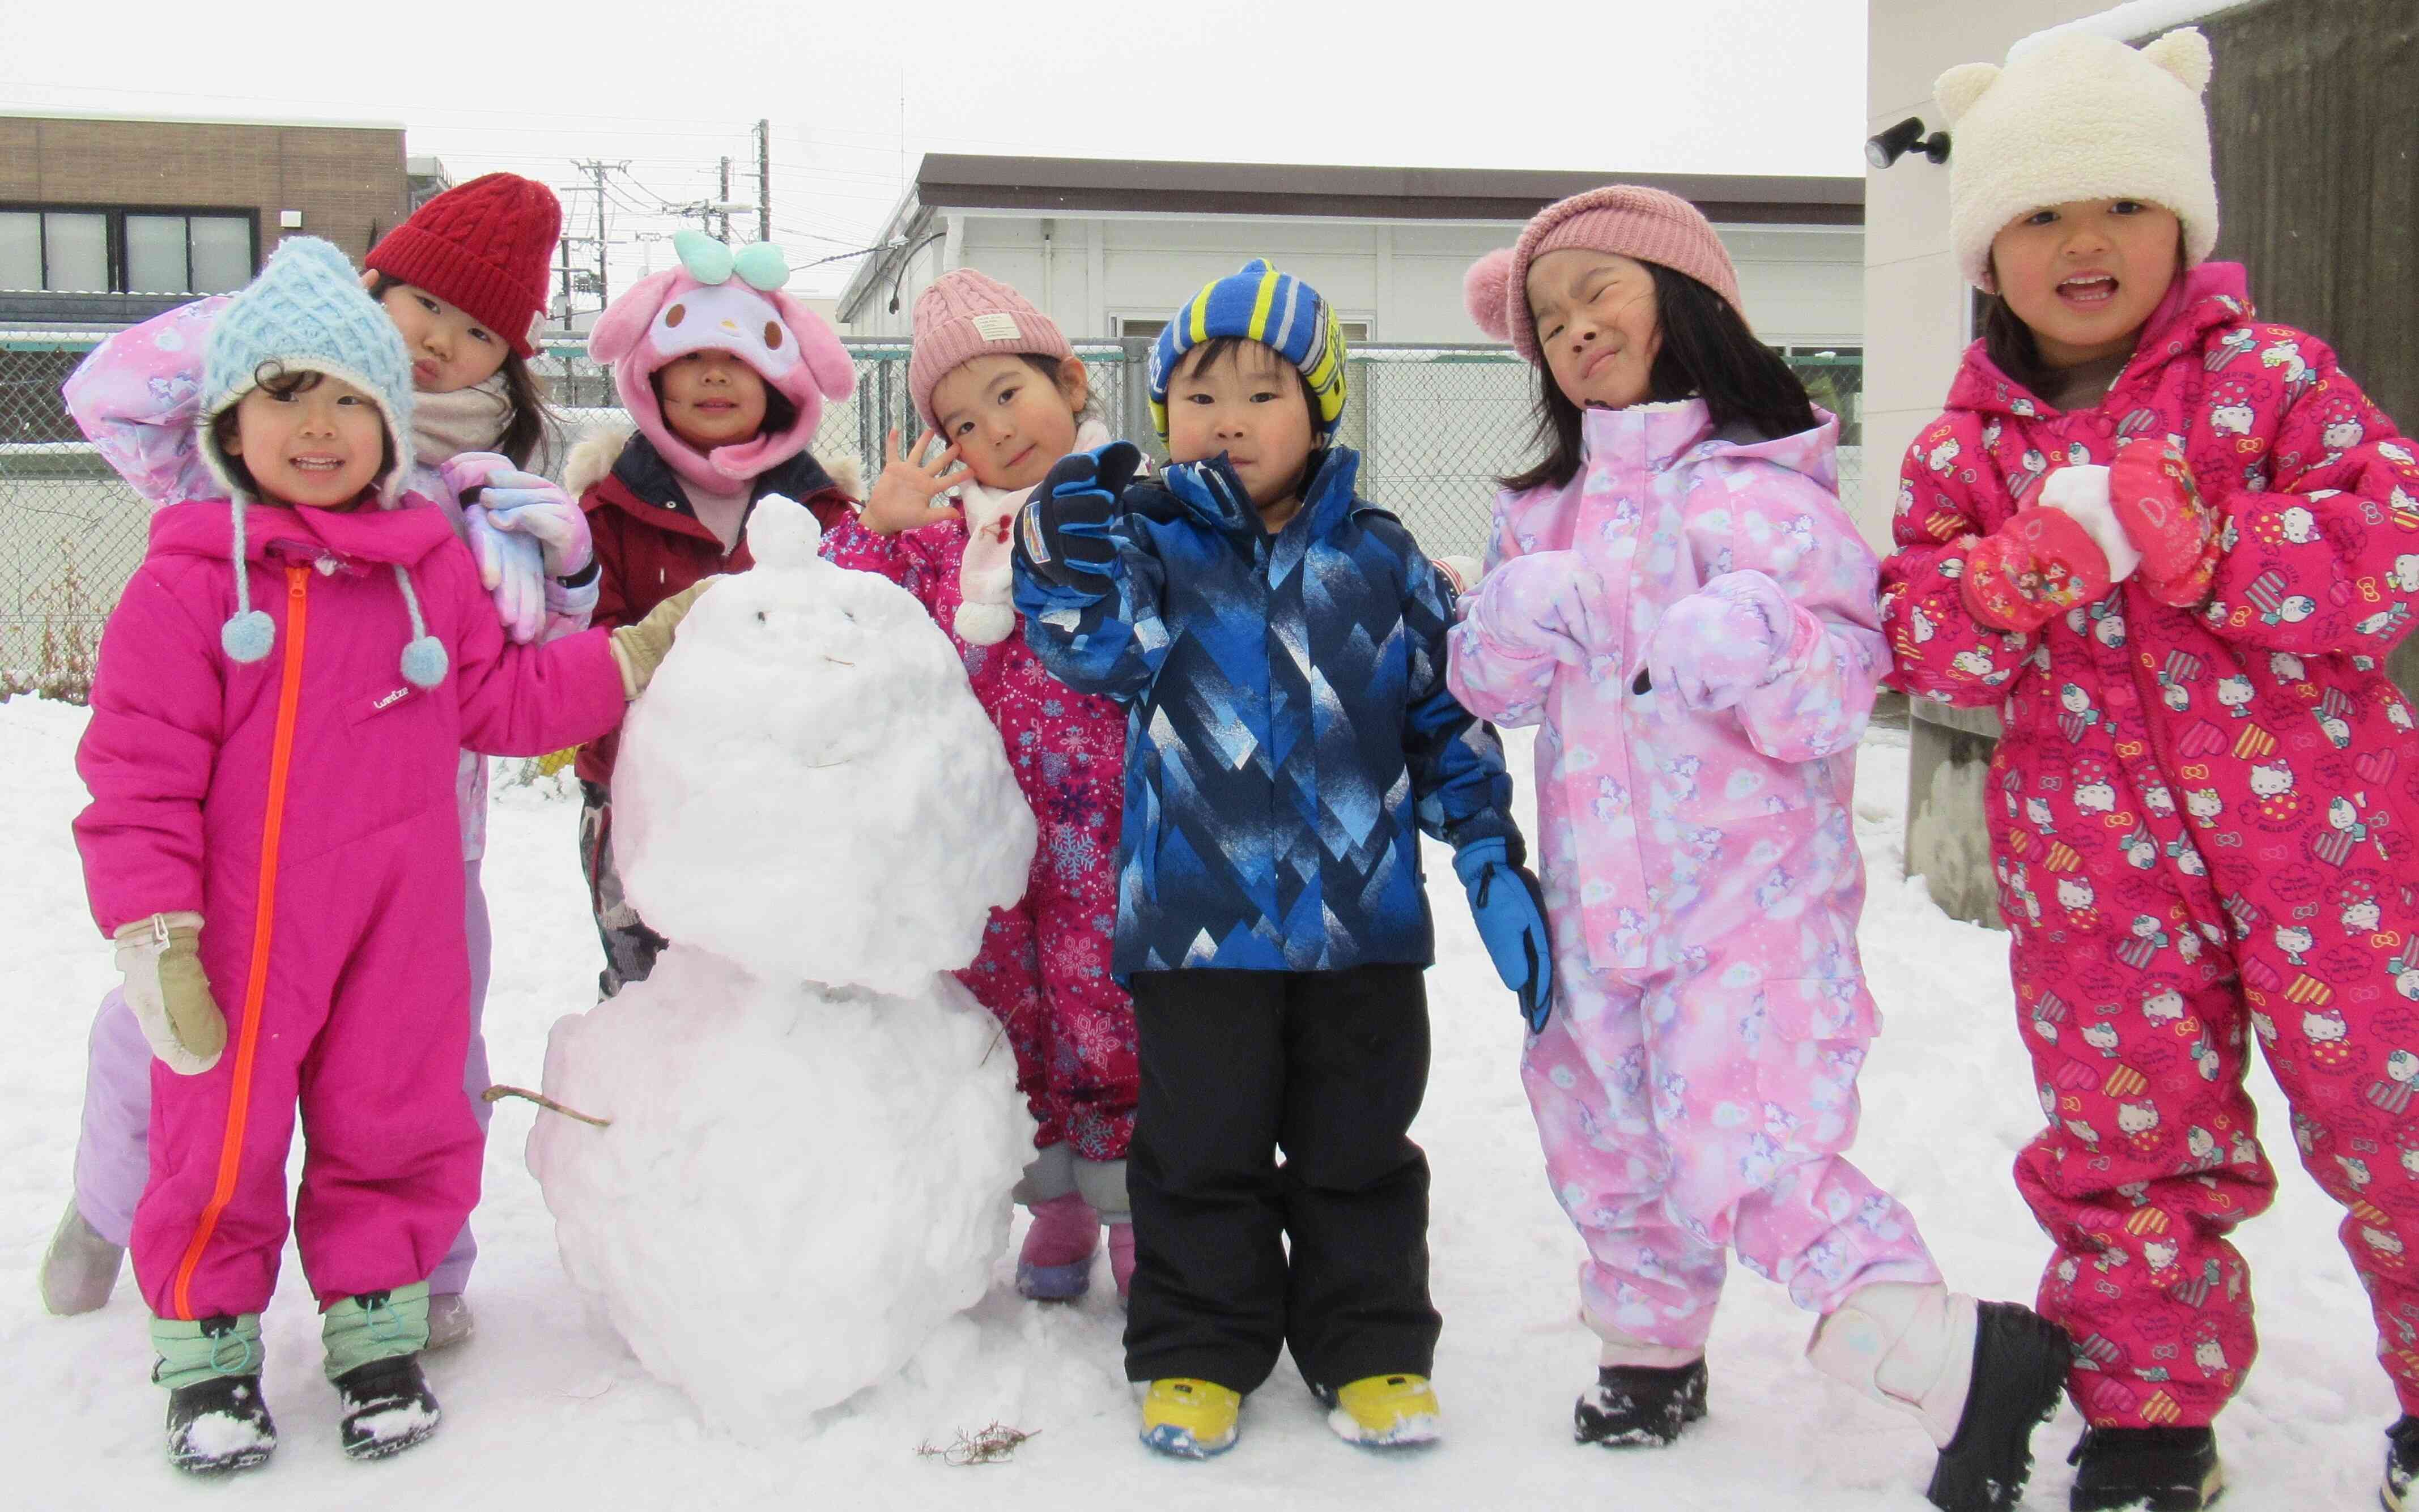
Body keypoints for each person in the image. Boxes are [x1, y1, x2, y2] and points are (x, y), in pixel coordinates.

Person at [1878, 29, 2419, 1511]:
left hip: (2329, 851)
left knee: (2393, 1112)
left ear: (2178, 218)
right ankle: (2144, 1407)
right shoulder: (1960, 451)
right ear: (1988, 245)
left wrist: (2217, 547)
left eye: (2117, 202)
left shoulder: (2270, 384)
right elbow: (1920, 644)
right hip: (2093, 870)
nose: (2081, 242)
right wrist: (2005, 580)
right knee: (2126, 1134)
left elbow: (2388, 553)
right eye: (2039, 212)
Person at [73, 237, 699, 1475]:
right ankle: (207, 1345)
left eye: (354, 400)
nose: (321, 427)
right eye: (288, 396)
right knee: (220, 1130)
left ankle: (374, 1331)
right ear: (232, 422)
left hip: (400, 923)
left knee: (395, 1116)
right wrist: (154, 929)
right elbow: (134, 772)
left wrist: (627, 655)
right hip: (243, 928)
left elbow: (507, 701)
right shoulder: (191, 585)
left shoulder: (428, 574)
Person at [1012, 259, 1552, 1458]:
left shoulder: (1378, 556)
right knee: (1198, 1155)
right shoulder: (1149, 548)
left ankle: (1369, 1350)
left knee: (1357, 1153)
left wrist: (1483, 847)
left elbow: (1441, 716)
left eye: (1263, 393)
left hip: (1360, 929)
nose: (1228, 420)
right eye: (1198, 396)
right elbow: (1091, 650)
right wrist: (1058, 560)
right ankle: (1198, 1353)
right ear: (1162, 419)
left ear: (1319, 411)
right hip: (1194, 928)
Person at [45, 173, 586, 1351]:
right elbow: (109, 392)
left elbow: (521, 675)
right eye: (419, 306)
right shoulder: (243, 435)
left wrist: (574, 579)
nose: (442, 344)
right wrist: (295, 322)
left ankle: (421, 1272)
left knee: (426, 1061)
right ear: (372, 284)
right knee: (161, 1041)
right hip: (246, 849)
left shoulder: (487, 484)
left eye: (480, 329)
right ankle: (109, 1210)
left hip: (420, 846)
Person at [823, 269, 1138, 1302]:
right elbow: (833, 619)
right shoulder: (943, 538)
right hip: (986, 835)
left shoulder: (1134, 503)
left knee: (1112, 1010)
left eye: (1009, 393)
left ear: (1072, 381)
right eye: (960, 420)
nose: (992, 433)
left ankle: (1133, 1204)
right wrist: (877, 526)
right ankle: (1051, 1198)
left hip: (1115, 826)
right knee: (1012, 1011)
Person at [571, 230, 857, 995]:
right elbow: (585, 654)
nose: (713, 377)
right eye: (691, 360)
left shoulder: (826, 511)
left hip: (790, 798)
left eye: (737, 360)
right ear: (651, 379)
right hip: (642, 797)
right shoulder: (607, 510)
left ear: (780, 383)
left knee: (781, 1000)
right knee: (655, 998)